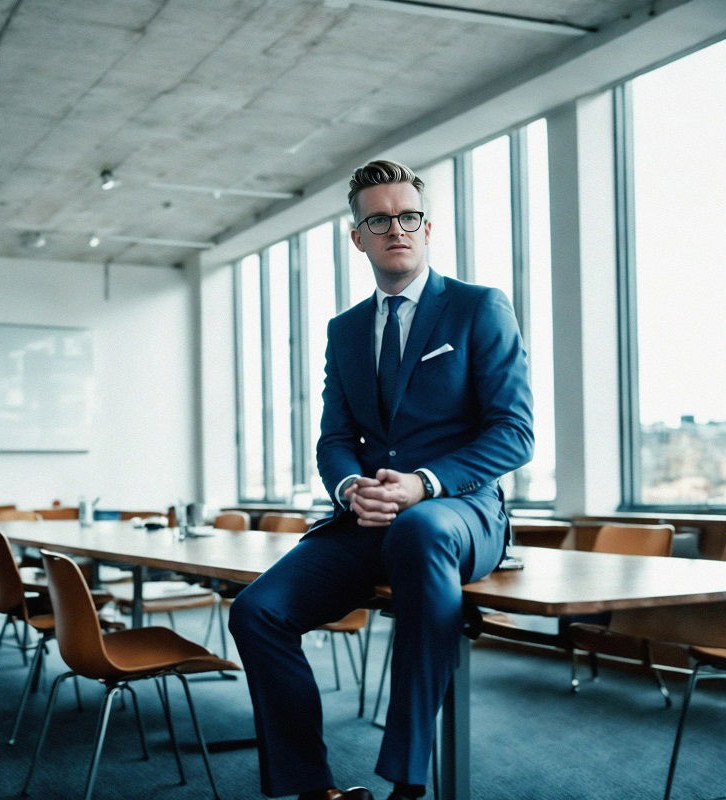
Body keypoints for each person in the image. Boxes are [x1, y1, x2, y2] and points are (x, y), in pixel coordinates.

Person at [229, 160, 534, 800]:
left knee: (420, 531)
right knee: (257, 612)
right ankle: (313, 790)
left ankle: (406, 779)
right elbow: (335, 439)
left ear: (427, 228)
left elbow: (514, 432)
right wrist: (348, 489)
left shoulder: (480, 308)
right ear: (358, 236)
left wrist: (423, 483)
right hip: (368, 515)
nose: (396, 228)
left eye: (408, 217)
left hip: (459, 510)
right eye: (378, 219)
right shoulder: (344, 332)